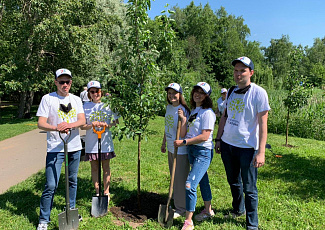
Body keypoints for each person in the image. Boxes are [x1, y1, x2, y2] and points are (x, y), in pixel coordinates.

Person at [214, 57, 270, 230]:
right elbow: (224, 117)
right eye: (236, 71)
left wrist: (261, 152)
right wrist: (218, 138)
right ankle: (238, 210)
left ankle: (252, 224)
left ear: (251, 73)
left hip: (247, 148)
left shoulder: (259, 93)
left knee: (249, 187)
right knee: (233, 181)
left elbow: (263, 125)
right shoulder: (231, 91)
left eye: (242, 71)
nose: (238, 74)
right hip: (227, 144)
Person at [36, 68, 86, 230]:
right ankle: (44, 219)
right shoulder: (47, 98)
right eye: (61, 82)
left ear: (71, 82)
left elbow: (82, 120)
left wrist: (69, 125)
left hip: (74, 147)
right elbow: (41, 123)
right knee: (51, 184)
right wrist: (56, 128)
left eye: (68, 82)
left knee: (72, 180)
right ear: (56, 82)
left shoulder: (76, 99)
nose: (65, 85)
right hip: (55, 148)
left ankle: (70, 210)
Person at [174, 82, 216, 230]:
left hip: (203, 153)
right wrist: (184, 120)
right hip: (192, 151)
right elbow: (187, 132)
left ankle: (188, 222)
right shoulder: (194, 111)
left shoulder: (208, 113)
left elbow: (205, 136)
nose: (197, 94)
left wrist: (184, 142)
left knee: (190, 184)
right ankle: (208, 210)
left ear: (207, 96)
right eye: (195, 91)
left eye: (201, 92)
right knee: (203, 181)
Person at [81, 80, 119, 200]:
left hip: (105, 142)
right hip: (91, 142)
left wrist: (107, 125)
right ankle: (97, 192)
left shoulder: (108, 105)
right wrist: (92, 124)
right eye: (92, 92)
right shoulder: (85, 106)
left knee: (106, 167)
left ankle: (106, 192)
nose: (95, 93)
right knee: (94, 167)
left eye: (97, 91)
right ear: (89, 94)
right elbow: (82, 126)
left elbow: (116, 122)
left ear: (101, 92)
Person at [161, 83, 190, 218]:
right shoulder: (168, 108)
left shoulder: (183, 109)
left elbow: (184, 134)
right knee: (173, 176)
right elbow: (167, 127)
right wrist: (164, 142)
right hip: (171, 148)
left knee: (179, 178)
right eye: (169, 93)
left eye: (175, 93)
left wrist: (183, 119)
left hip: (181, 150)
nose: (172, 95)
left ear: (180, 95)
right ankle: (176, 202)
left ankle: (181, 208)